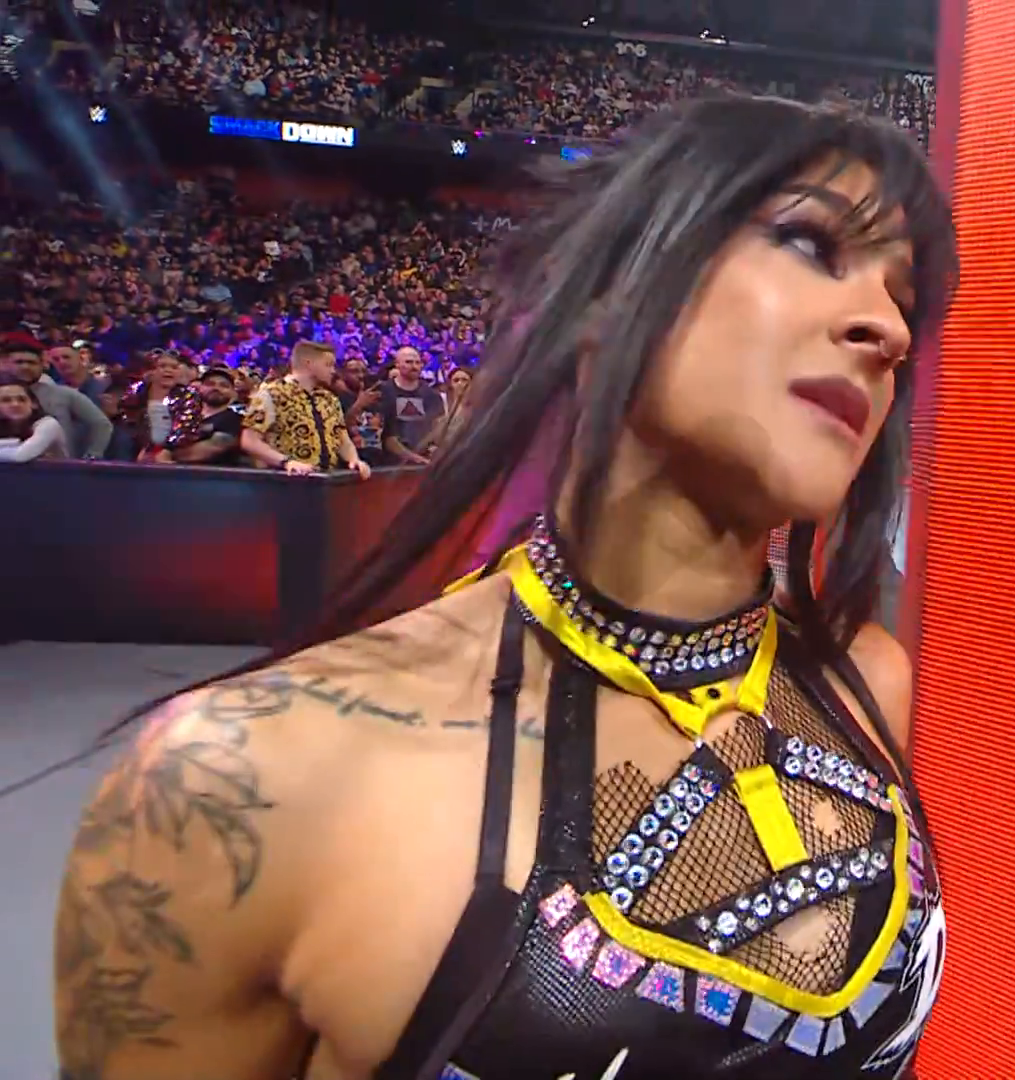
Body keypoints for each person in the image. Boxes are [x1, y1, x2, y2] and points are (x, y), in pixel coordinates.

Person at [55, 97, 954, 1080]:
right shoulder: (242, 779)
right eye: (811, 243)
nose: (888, 328)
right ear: (608, 289)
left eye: (903, 296)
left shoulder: (869, 683)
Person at [241, 340, 373, 478]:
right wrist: (286, 462)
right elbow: (249, 441)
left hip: (325, 480)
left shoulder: (328, 398)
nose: (333, 371)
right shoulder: (272, 393)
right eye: (328, 365)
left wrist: (353, 459)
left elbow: (342, 438)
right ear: (308, 363)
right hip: (284, 481)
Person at [0, 372, 68, 462]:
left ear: (34, 404)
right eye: (6, 400)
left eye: (22, 399)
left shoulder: (49, 424)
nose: (15, 404)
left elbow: (20, 456)